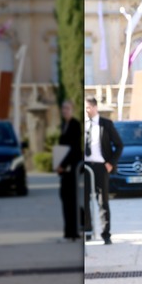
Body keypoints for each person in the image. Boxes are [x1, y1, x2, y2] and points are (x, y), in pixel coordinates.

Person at [83, 96, 123, 245]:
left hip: (101, 167)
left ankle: (106, 234)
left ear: (94, 107)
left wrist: (111, 163)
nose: (85, 111)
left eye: (87, 108)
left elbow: (119, 145)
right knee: (84, 200)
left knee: (102, 201)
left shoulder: (105, 124)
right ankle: (87, 231)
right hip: (85, 167)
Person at [56, 100, 82, 242]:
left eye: (67, 108)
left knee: (71, 200)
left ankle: (72, 233)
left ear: (72, 110)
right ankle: (68, 231)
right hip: (64, 169)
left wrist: (63, 164)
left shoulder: (75, 125)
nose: (64, 110)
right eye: (63, 108)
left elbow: (73, 148)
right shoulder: (64, 125)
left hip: (71, 168)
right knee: (65, 198)